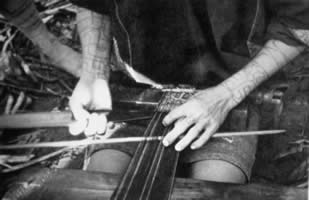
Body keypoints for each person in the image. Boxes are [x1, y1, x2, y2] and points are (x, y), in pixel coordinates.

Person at [2, 0, 309, 184]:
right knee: (100, 183)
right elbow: (94, 3)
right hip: (137, 85)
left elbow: (300, 24)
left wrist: (225, 96)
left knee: (216, 187)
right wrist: (95, 73)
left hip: (230, 84)